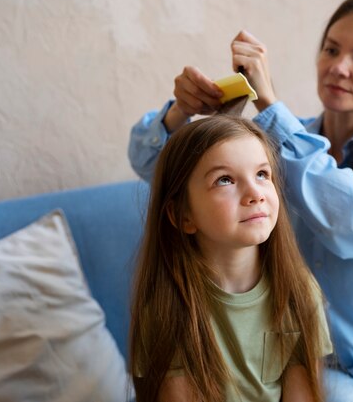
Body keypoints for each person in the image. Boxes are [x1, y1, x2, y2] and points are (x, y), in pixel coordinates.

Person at [128, 0, 353, 402]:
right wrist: (178, 113)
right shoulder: (279, 144)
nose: (339, 67)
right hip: (316, 354)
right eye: (331, 49)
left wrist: (270, 105)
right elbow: (157, 168)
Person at [128, 114, 333, 402]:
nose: (255, 193)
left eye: (262, 174)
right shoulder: (166, 305)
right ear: (183, 216)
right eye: (225, 180)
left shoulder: (299, 291)